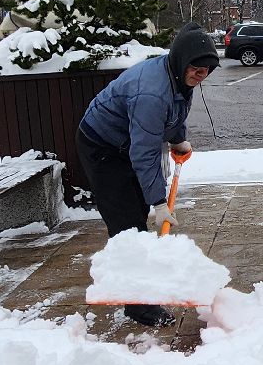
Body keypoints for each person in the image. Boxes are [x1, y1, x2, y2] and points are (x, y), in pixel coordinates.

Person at [76, 23, 220, 324]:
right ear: (182, 61)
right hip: (101, 145)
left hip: (126, 141)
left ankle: (141, 286)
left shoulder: (179, 77)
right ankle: (138, 304)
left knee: (138, 210)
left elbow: (176, 110)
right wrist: (159, 202)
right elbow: (144, 153)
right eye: (196, 68)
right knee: (127, 224)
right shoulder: (151, 93)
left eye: (206, 70)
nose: (200, 75)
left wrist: (178, 138)